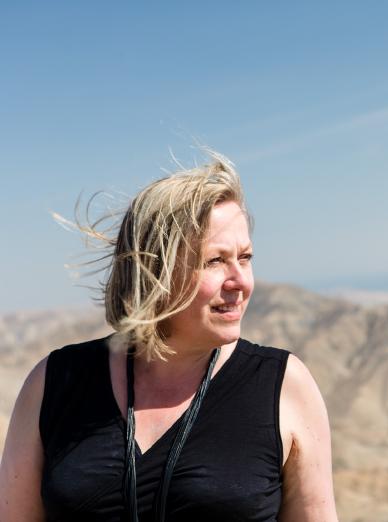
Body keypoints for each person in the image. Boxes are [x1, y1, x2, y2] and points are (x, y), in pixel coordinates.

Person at [0, 152, 339, 521]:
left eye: (245, 258)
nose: (241, 281)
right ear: (153, 272)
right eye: (214, 261)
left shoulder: (285, 386)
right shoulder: (54, 382)